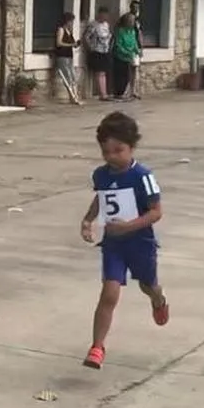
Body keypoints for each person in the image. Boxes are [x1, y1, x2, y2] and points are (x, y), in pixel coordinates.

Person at [79, 112, 169, 370]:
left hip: (140, 244)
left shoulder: (142, 176)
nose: (112, 157)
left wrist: (129, 226)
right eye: (105, 152)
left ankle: (159, 300)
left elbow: (156, 212)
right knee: (109, 293)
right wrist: (88, 220)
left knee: (148, 285)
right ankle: (97, 347)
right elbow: (101, 198)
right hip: (114, 245)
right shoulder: (101, 175)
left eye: (118, 150)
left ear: (132, 147)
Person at [83, 6, 113, 101]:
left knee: (104, 72)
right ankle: (102, 94)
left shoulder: (106, 25)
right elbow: (86, 37)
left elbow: (109, 36)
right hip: (97, 51)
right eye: (103, 15)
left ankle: (104, 92)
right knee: (100, 72)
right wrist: (90, 47)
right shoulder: (93, 25)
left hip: (105, 51)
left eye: (106, 15)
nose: (105, 17)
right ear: (99, 14)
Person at [54, 12, 83, 105]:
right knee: (67, 77)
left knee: (73, 77)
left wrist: (76, 44)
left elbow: (73, 44)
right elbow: (59, 43)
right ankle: (73, 97)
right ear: (67, 21)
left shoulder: (69, 32)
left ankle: (75, 96)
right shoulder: (61, 30)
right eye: (71, 21)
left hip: (69, 57)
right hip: (62, 56)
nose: (72, 23)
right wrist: (71, 45)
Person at [112, 13, 139, 100]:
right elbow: (118, 45)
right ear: (126, 22)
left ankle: (130, 92)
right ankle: (119, 93)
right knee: (121, 76)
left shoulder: (132, 31)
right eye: (131, 21)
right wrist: (126, 52)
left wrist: (137, 50)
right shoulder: (120, 31)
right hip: (121, 56)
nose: (133, 23)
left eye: (133, 21)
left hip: (130, 57)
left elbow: (134, 42)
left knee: (130, 75)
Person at [123, 0, 144, 100]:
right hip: (129, 46)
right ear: (130, 7)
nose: (136, 9)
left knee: (135, 69)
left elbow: (139, 33)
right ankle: (127, 91)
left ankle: (133, 90)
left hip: (136, 47)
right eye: (134, 7)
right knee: (128, 69)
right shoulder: (127, 18)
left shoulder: (138, 20)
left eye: (137, 7)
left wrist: (141, 47)